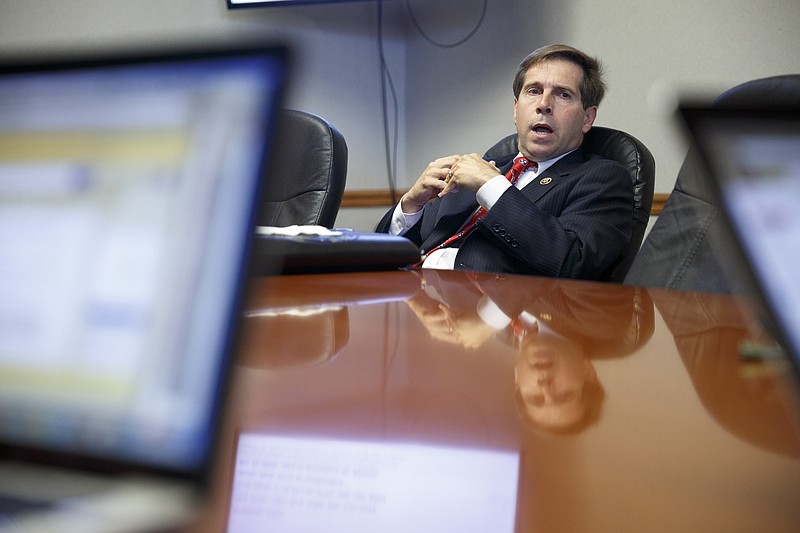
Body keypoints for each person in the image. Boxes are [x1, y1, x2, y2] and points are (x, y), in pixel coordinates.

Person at [375, 44, 633, 279]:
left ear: (587, 118)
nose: (544, 104)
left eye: (563, 94)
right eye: (534, 91)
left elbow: (572, 261)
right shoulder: (485, 168)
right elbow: (395, 252)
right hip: (410, 299)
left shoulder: (603, 178)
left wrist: (493, 186)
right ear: (515, 108)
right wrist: (411, 205)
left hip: (489, 314)